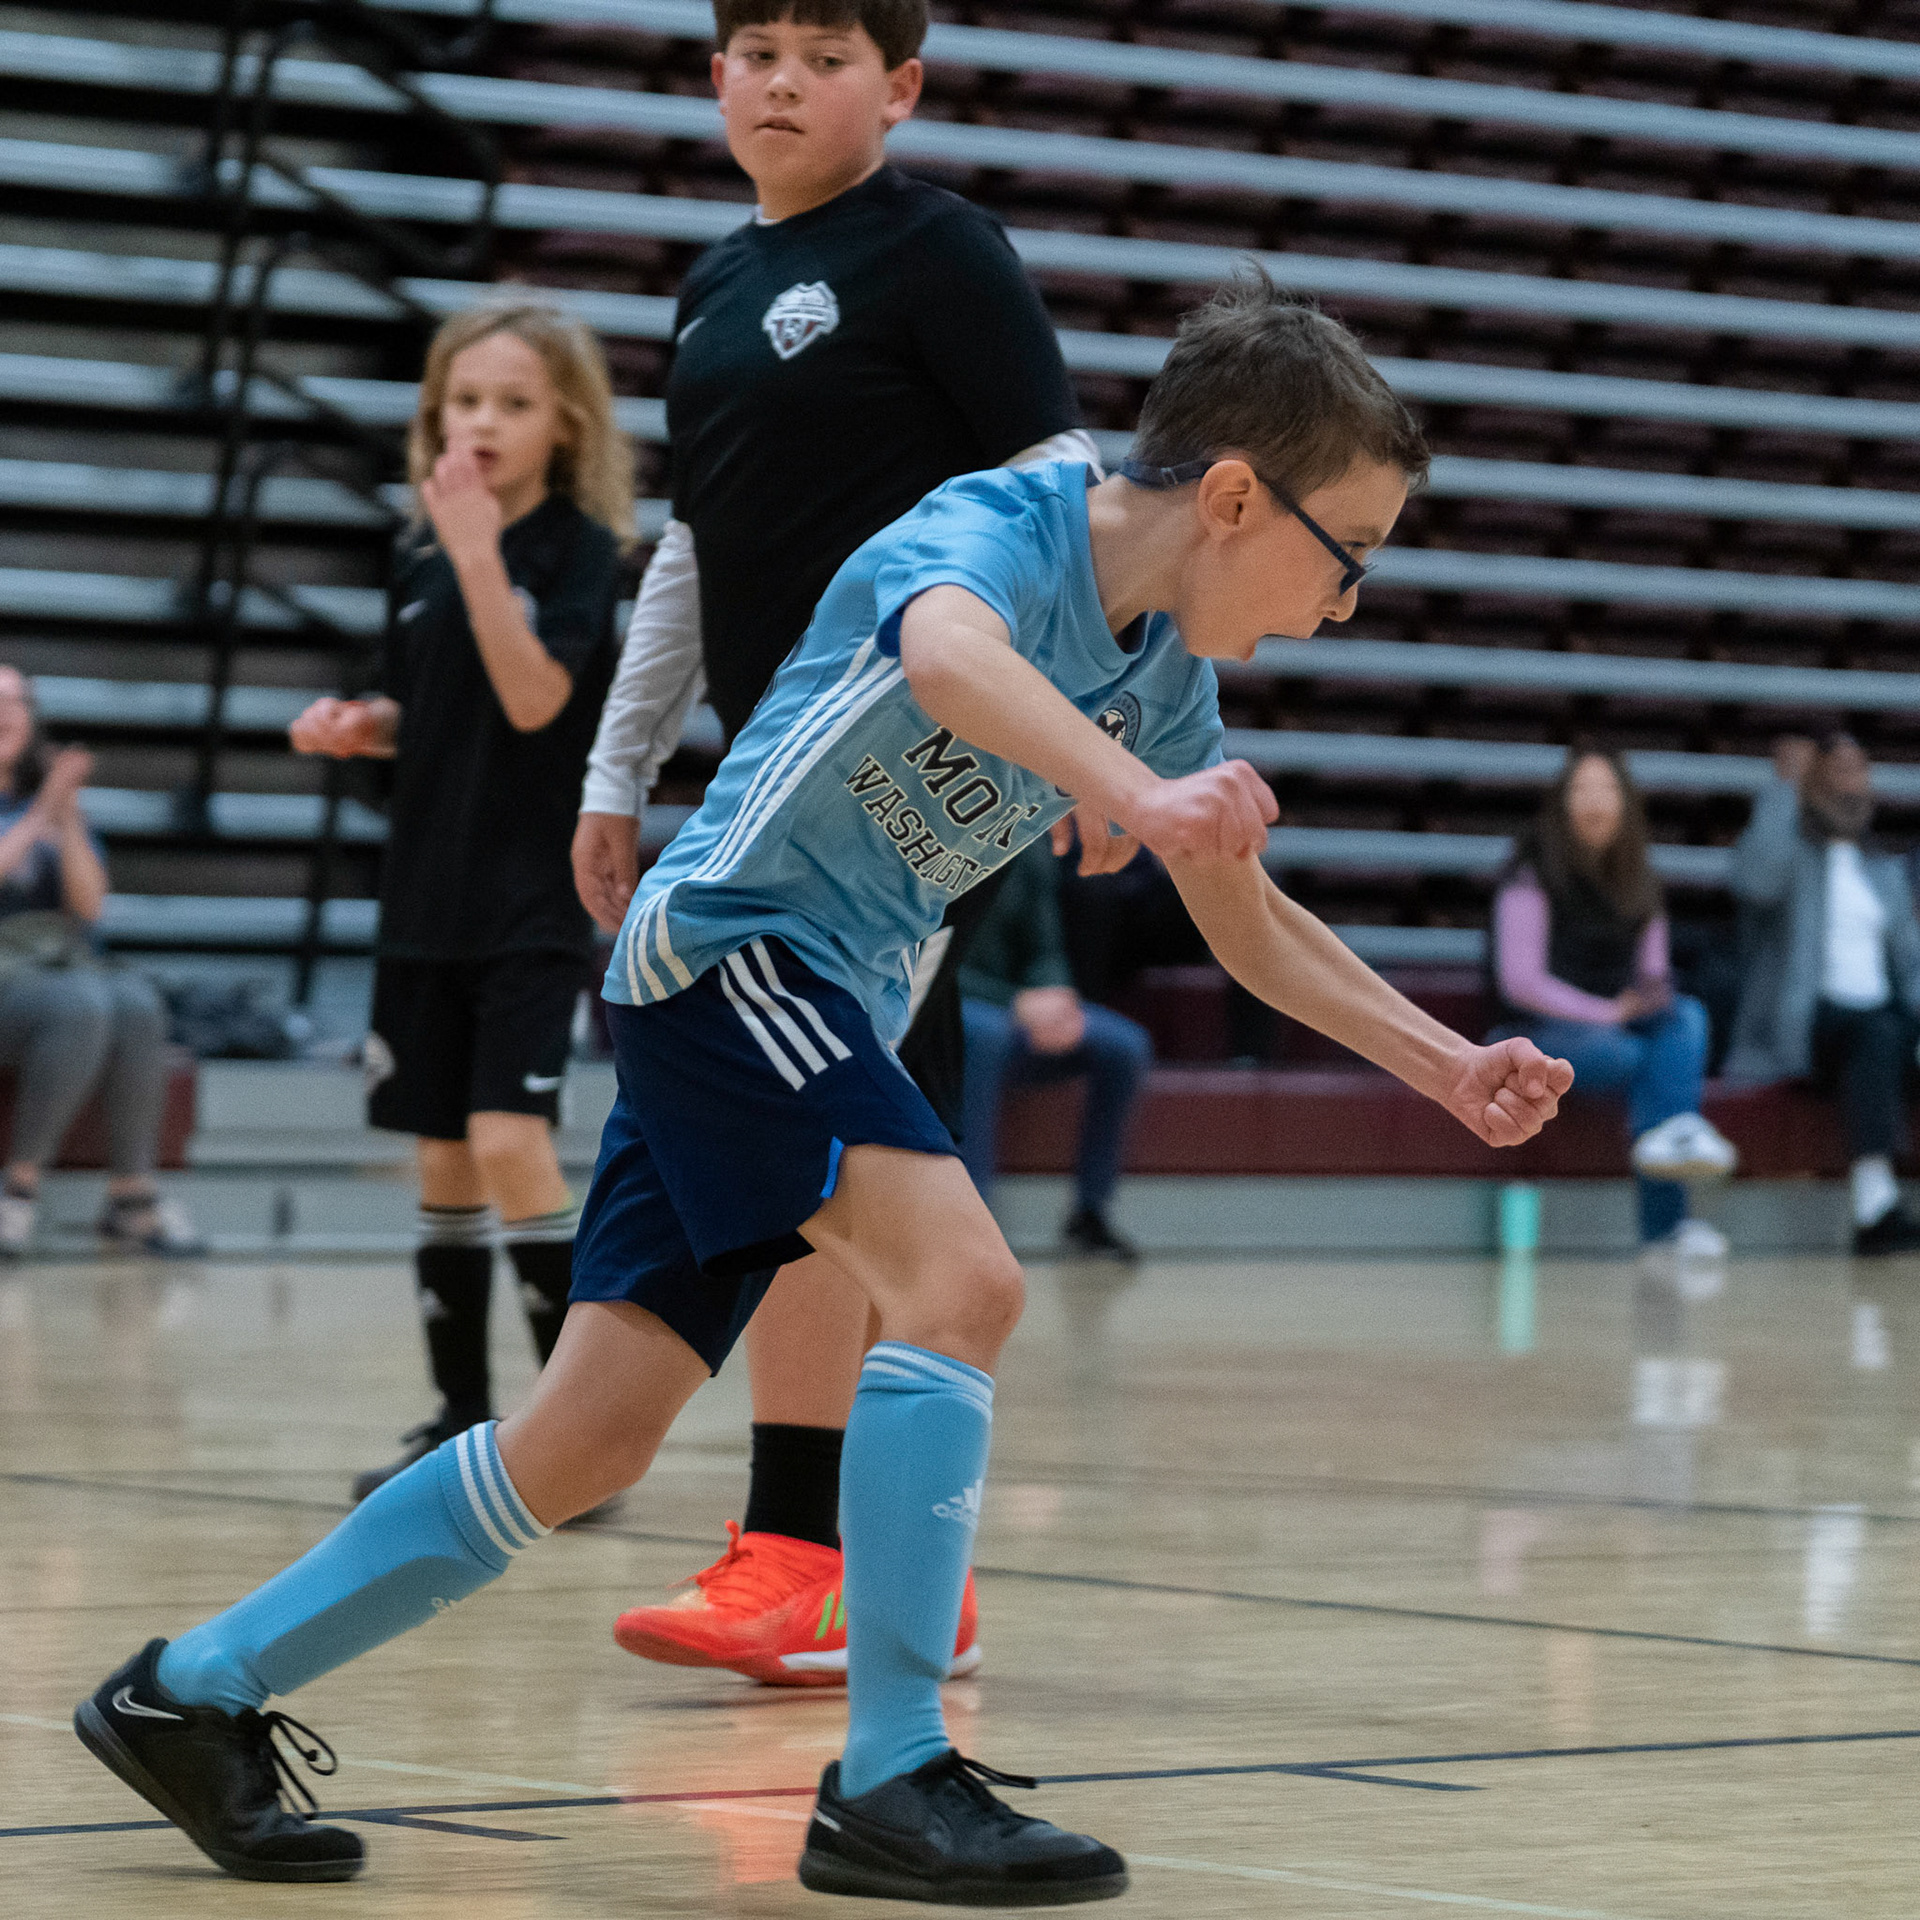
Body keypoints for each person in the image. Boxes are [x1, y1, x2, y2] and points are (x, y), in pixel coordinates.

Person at [74, 274, 1572, 1905]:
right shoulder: (1008, 518)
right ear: (1231, 497)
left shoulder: (1166, 673)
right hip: (735, 955)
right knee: (963, 1283)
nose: (1342, 604)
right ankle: (891, 1778)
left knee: (583, 1445)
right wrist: (1134, 788)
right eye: (1344, 557)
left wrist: (1447, 1064)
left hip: (796, 1005)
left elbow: (1245, 917)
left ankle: (188, 1692)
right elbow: (944, 657)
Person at [572, 0, 1092, 1684]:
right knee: (830, 1169)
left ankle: (821, 1555)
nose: (781, 79)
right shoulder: (714, 287)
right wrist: (614, 770)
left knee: (845, 1171)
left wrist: (1093, 751)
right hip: (764, 779)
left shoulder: (941, 255)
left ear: (903, 86)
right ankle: (861, 1564)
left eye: (824, 52)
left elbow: (1066, 504)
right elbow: (694, 555)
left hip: (909, 791)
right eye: (753, 50)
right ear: (713, 78)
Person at [289, 304, 628, 1494]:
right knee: (440, 1159)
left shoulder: (577, 550)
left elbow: (536, 697)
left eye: (513, 404)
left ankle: (576, 1438)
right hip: (422, 891)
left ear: (566, 425)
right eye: (464, 401)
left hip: (530, 894)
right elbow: (427, 700)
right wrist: (362, 725)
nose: (481, 424)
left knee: (507, 1140)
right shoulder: (418, 547)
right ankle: (460, 1418)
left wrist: (481, 551)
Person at [1490, 750, 1737, 1264]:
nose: (1594, 801)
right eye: (1581, 789)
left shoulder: (1642, 880)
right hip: (1529, 1031)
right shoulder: (1528, 872)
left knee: (1686, 1015)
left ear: (1626, 803)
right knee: (1632, 1058)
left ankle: (1672, 1144)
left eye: (1606, 789)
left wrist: (1650, 999)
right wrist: (1607, 1013)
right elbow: (1522, 983)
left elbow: (1654, 973)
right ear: (1562, 803)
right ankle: (1668, 1219)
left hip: (1618, 1026)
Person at [0, 666, 200, 1257]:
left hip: (42, 969)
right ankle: (20, 1187)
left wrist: (68, 816)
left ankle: (130, 1194)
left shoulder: (50, 801)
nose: (7, 712)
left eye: (18, 700)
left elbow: (89, 908)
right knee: (80, 1002)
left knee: (137, 1003)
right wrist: (42, 812)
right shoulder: (33, 807)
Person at [1727, 734, 1920, 1254]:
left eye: (1858, 771)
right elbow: (1753, 879)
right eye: (1835, 771)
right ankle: (1874, 1203)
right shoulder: (1793, 857)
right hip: (1810, 1025)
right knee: (1877, 1029)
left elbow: (1911, 965)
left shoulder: (1883, 872)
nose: (1849, 783)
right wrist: (1783, 790)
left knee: (1887, 1026)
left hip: (1885, 1022)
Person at [958, 839, 1152, 1259]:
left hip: (1011, 1010)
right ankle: (973, 1227)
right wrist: (1014, 1002)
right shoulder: (928, 848)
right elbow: (915, 965)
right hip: (940, 1008)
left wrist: (1056, 992)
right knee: (985, 1036)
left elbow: (1045, 945)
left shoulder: (1026, 845)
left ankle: (1090, 1214)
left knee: (1124, 1046)